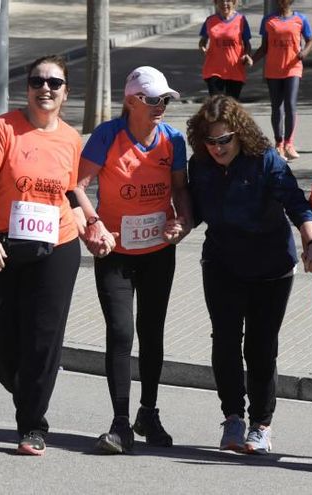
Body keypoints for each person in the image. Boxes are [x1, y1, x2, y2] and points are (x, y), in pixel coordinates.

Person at [187, 95, 312, 455]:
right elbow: (194, 210)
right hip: (222, 263)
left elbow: (296, 201)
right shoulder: (199, 165)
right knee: (226, 341)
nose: (217, 148)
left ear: (240, 134)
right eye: (210, 141)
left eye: (224, 140)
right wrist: (177, 226)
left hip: (270, 267)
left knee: (261, 347)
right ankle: (232, 417)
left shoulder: (265, 161)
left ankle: (261, 425)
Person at [0, 55, 85, 456]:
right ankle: (26, 385)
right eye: (38, 81)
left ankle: (32, 424)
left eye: (54, 83)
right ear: (27, 87)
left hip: (55, 247)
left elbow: (69, 191)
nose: (45, 89)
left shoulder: (70, 138)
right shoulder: (3, 130)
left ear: (66, 93)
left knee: (43, 338)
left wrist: (89, 220)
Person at [76, 66, 192, 454]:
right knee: (122, 332)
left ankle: (149, 412)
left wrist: (183, 221)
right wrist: (93, 224)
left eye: (166, 100)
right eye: (153, 99)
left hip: (159, 252)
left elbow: (179, 190)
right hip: (115, 253)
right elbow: (76, 187)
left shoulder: (173, 140)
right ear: (131, 101)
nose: (162, 106)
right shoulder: (107, 136)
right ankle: (120, 422)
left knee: (153, 332)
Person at [252, 0, 312, 161]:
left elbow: (310, 40)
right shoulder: (268, 20)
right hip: (273, 69)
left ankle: (289, 144)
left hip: (293, 68)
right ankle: (279, 143)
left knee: (290, 104)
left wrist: (304, 52)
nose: (282, 2)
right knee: (276, 106)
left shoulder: (300, 19)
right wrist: (252, 60)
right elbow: (264, 47)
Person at [199, 0, 254, 100]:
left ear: (234, 2)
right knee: (216, 106)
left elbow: (247, 43)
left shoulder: (241, 20)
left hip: (235, 69)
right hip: (214, 70)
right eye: (221, 1)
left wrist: (247, 55)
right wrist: (202, 47)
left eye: (228, 1)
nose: (224, 4)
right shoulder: (210, 21)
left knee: (231, 107)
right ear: (216, 3)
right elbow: (203, 41)